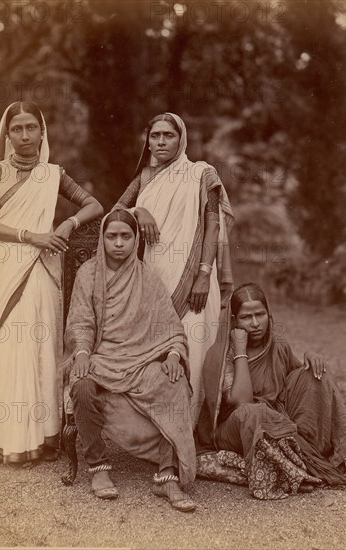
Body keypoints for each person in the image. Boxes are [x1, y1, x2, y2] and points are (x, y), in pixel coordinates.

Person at [0, 101, 104, 465]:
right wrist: (32, 236)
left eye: (32, 127)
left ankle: (41, 438)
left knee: (37, 351)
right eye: (17, 129)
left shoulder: (52, 174)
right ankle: (7, 439)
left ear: (42, 132)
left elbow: (94, 205)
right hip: (4, 269)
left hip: (41, 274)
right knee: (5, 349)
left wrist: (66, 225)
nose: (25, 135)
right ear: (8, 134)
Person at [63, 210, 197, 512]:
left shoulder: (147, 277)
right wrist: (82, 352)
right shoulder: (88, 273)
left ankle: (166, 475)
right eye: (112, 237)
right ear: (103, 239)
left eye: (126, 236)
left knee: (174, 381)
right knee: (82, 384)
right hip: (101, 356)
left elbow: (171, 325)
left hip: (141, 359)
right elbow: (81, 321)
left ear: (136, 239)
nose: (119, 243)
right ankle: (98, 467)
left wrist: (174, 354)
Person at [113, 113, 234, 425]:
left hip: (196, 279)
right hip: (155, 280)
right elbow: (114, 213)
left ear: (182, 139)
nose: (161, 142)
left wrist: (204, 275)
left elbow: (212, 225)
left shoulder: (201, 173)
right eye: (155, 136)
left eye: (168, 135)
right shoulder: (145, 178)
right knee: (158, 352)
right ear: (148, 140)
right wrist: (138, 210)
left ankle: (192, 433)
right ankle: (158, 435)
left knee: (192, 348)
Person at [195, 282, 346, 499]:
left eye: (260, 314)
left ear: (268, 314)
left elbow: (297, 382)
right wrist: (240, 351)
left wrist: (311, 357)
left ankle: (318, 461)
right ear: (234, 320)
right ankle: (301, 468)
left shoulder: (276, 345)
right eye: (247, 317)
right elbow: (242, 401)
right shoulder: (221, 355)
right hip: (237, 429)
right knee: (254, 412)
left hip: (276, 423)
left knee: (316, 376)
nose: (255, 323)